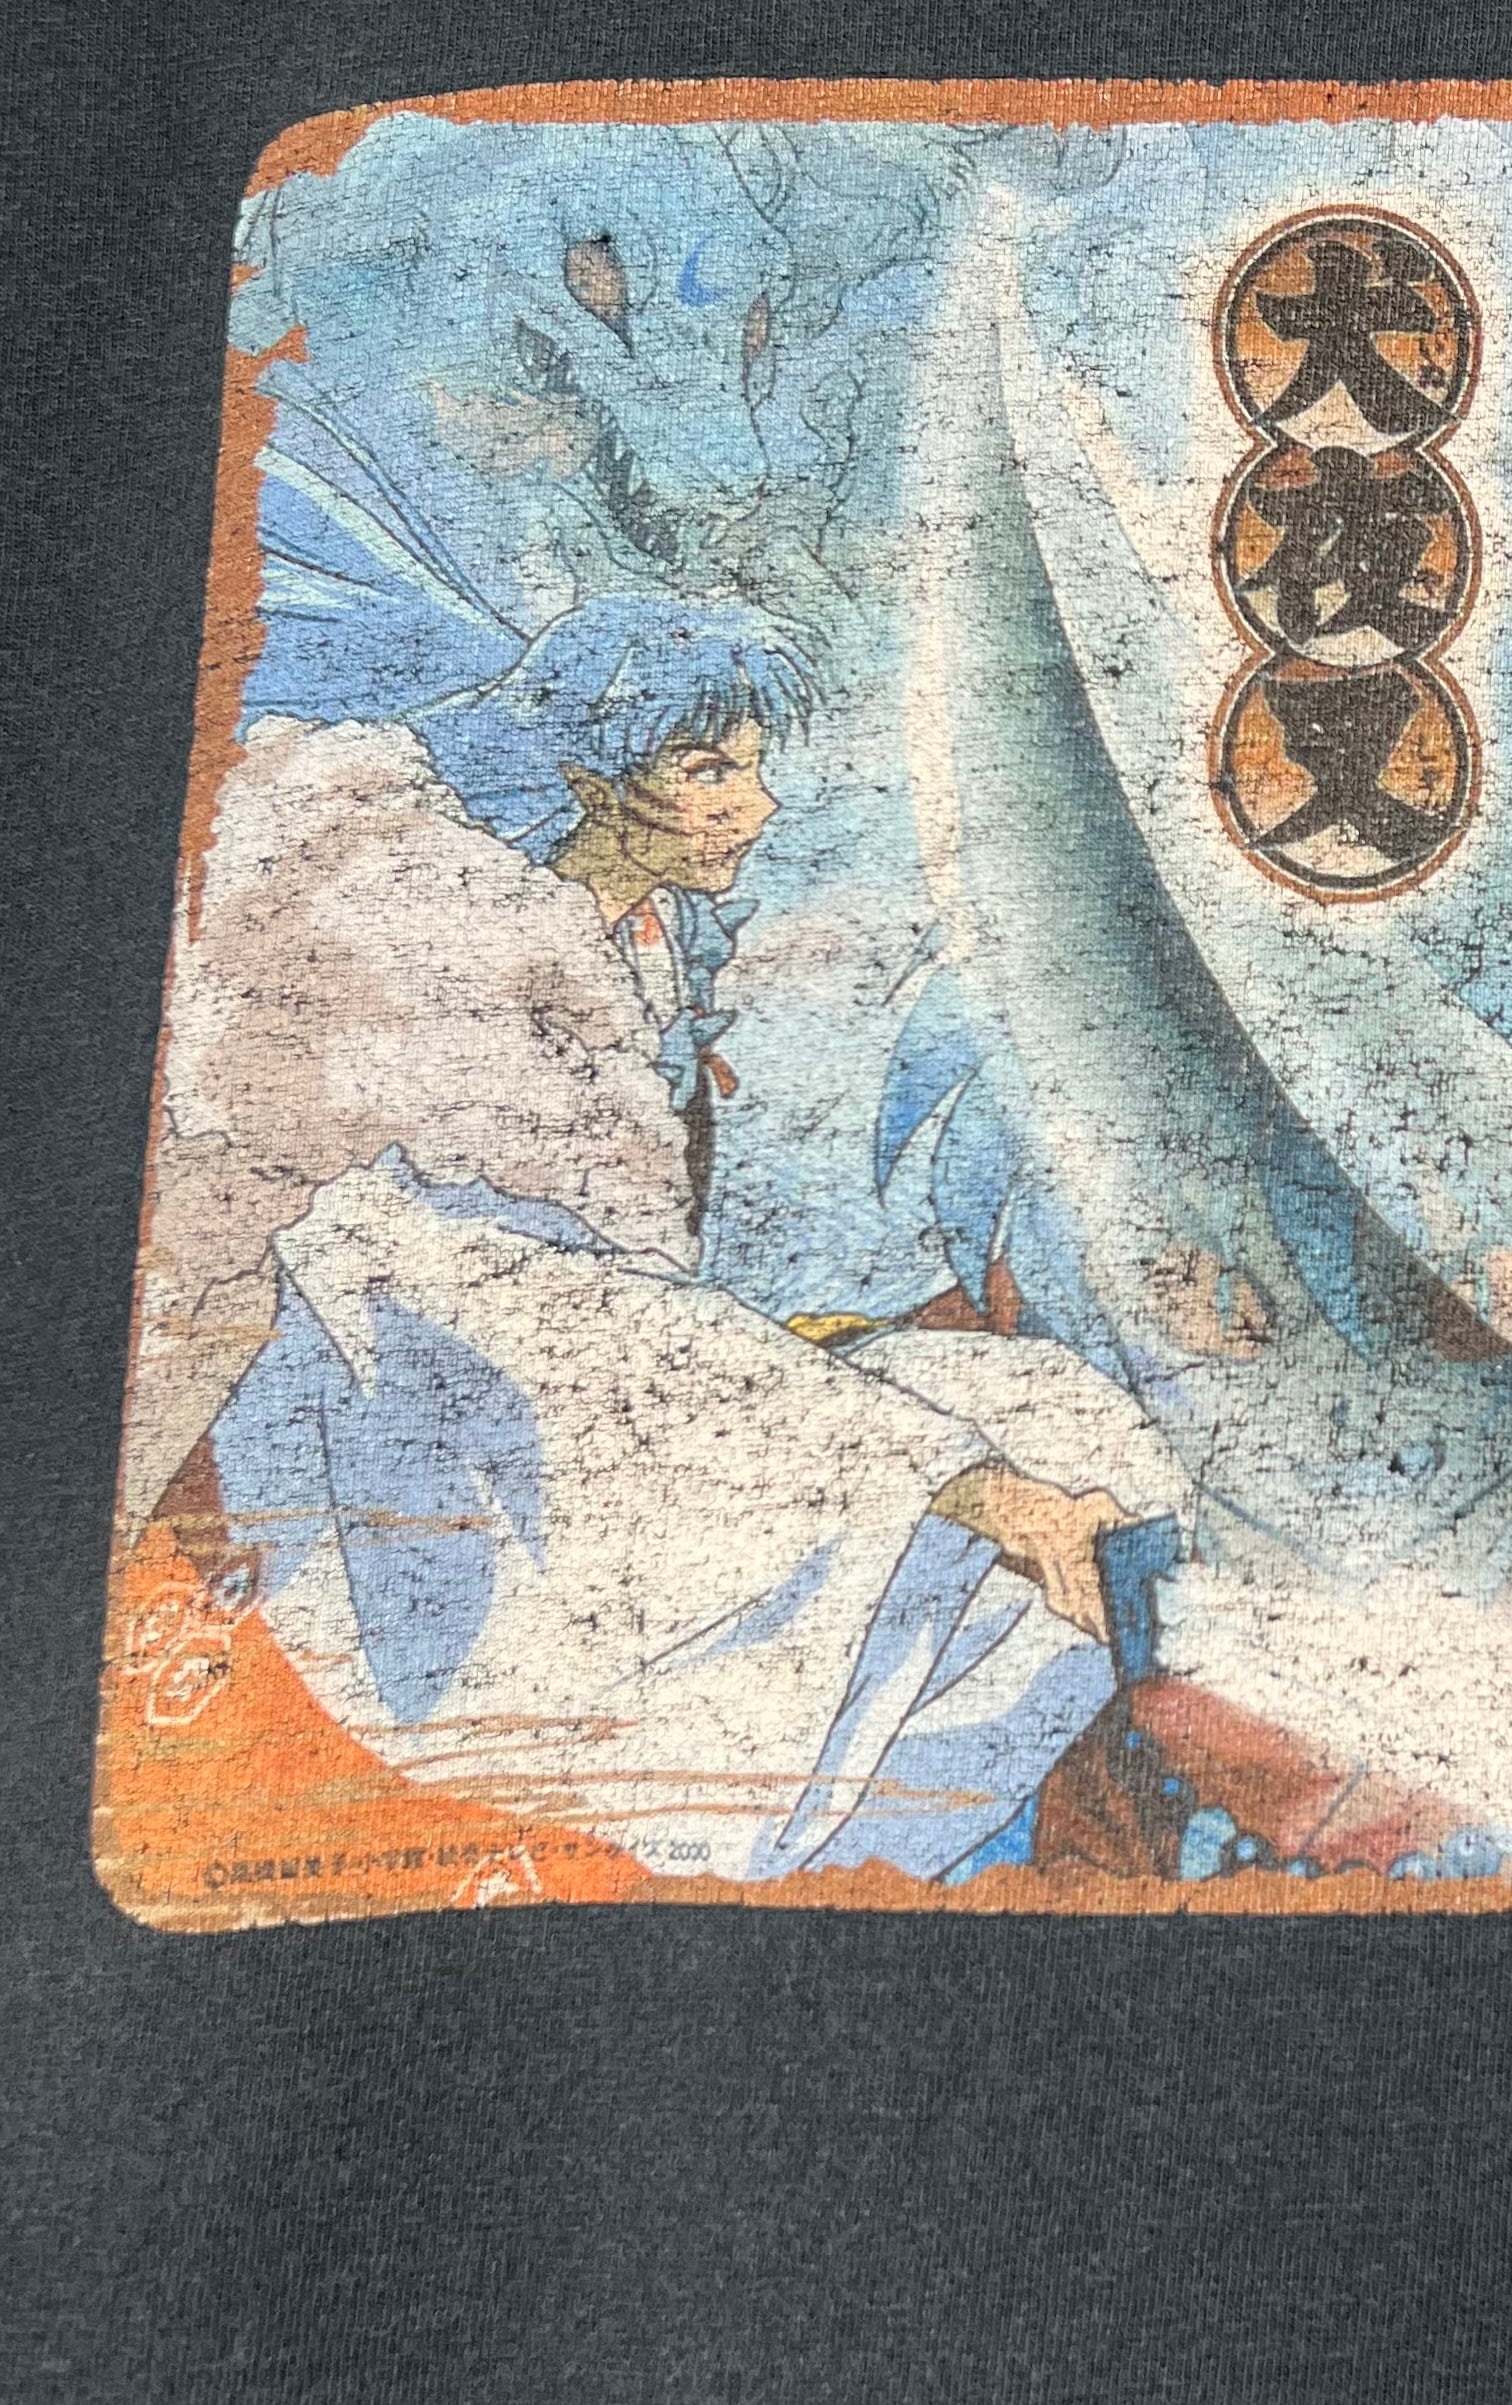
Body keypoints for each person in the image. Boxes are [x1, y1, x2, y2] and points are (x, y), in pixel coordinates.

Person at [123, 588, 1149, 1895]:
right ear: (588, 776)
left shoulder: (634, 948)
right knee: (982, 1493)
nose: (754, 806)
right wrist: (979, 1489)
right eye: (708, 768)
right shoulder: (458, 1006)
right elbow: (583, 1328)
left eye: (752, 767)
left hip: (597, 1408)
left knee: (1057, 1408)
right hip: (460, 1510)